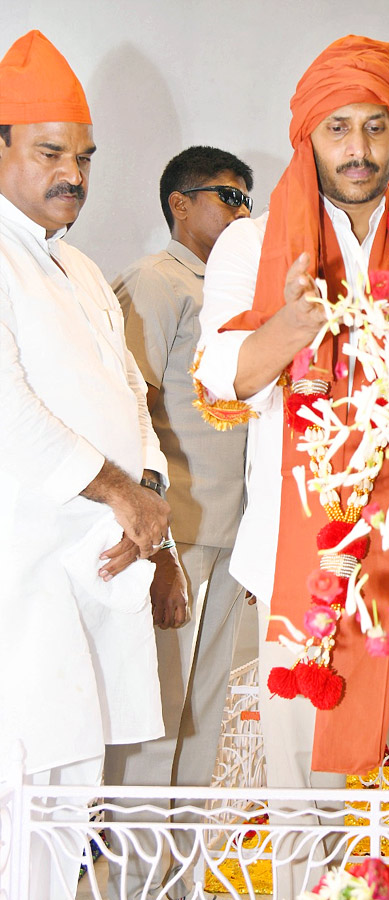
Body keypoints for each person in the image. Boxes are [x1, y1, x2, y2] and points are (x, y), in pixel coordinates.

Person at [196, 35, 389, 900]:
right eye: (338, 128)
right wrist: (290, 327)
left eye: (375, 127)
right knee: (303, 809)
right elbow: (224, 378)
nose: (358, 149)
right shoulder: (249, 246)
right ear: (307, 136)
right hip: (296, 574)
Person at [0, 30, 177, 900]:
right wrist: (117, 494)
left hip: (98, 576)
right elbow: (8, 413)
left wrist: (154, 519)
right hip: (22, 588)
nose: (73, 171)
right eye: (48, 151)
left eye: (84, 155)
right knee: (18, 798)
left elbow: (132, 404)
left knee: (71, 801)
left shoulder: (75, 264)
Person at [106, 146, 253, 900]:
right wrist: (157, 548)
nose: (241, 213)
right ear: (179, 204)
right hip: (177, 538)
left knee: (204, 719)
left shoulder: (237, 296)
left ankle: (181, 882)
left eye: (246, 201)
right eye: (227, 197)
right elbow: (130, 418)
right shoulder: (155, 283)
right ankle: (127, 880)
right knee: (155, 718)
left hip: (231, 543)